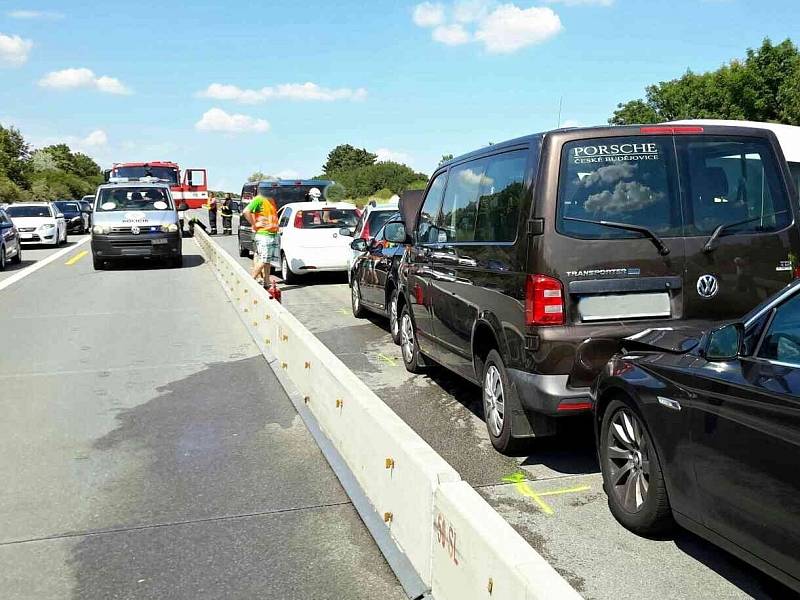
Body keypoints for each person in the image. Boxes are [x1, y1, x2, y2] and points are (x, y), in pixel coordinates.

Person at [243, 192, 279, 287]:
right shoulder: (259, 198)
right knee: (263, 259)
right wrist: (254, 224)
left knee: (267, 260)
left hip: (272, 234)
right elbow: (246, 211)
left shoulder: (271, 200)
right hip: (264, 234)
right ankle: (249, 281)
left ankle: (267, 281)